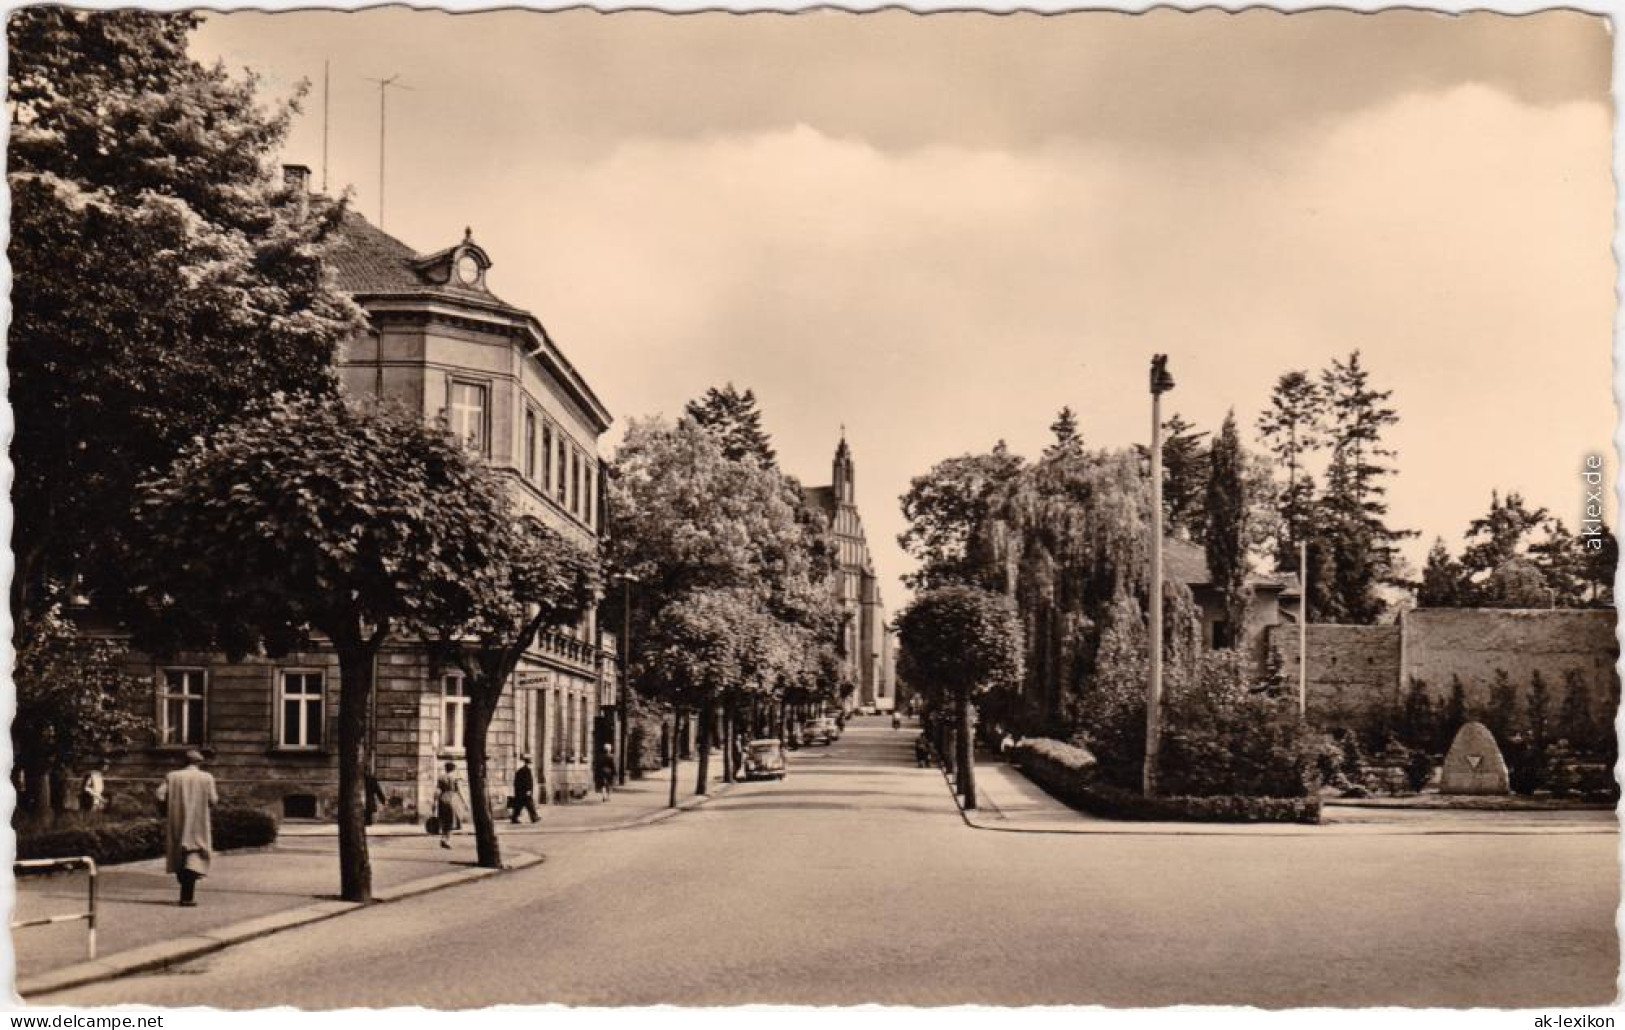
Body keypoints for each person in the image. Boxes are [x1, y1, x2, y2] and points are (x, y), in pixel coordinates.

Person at [155, 750, 217, 907]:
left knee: (181, 854)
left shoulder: (172, 776)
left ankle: (185, 893)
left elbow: (159, 795)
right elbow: (213, 799)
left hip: (178, 820)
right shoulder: (207, 777)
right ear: (199, 763)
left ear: (183, 762)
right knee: (195, 853)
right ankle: (188, 897)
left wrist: (165, 810)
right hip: (198, 821)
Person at [435, 761, 464, 849]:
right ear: (454, 769)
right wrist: (465, 802)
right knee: (452, 820)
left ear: (446, 768)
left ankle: (443, 838)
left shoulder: (441, 777)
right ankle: (447, 840)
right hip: (452, 799)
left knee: (444, 819)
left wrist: (434, 802)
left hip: (442, 799)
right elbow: (460, 791)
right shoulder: (456, 777)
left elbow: (437, 791)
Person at [511, 754, 539, 823]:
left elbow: (516, 782)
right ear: (527, 763)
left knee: (519, 806)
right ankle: (534, 818)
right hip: (525, 792)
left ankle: (514, 818)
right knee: (529, 805)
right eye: (530, 763)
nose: (531, 765)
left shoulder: (520, 770)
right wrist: (528, 790)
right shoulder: (526, 770)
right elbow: (527, 781)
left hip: (520, 792)